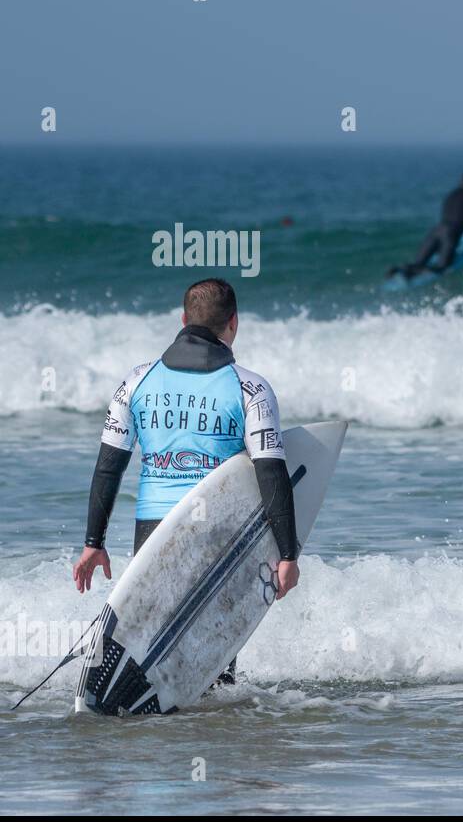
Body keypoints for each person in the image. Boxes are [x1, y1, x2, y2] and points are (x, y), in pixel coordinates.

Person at [72, 278, 301, 685]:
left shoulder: (135, 381)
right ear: (234, 322)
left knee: (154, 638)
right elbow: (270, 471)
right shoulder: (250, 388)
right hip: (220, 530)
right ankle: (212, 717)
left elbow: (109, 466)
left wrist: (94, 543)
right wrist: (287, 554)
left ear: (182, 319)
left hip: (154, 529)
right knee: (215, 645)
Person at [390, 169, 463, 280]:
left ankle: (403, 270)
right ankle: (412, 271)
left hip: (436, 231)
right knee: (442, 268)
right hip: (450, 233)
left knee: (418, 263)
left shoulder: (452, 194)